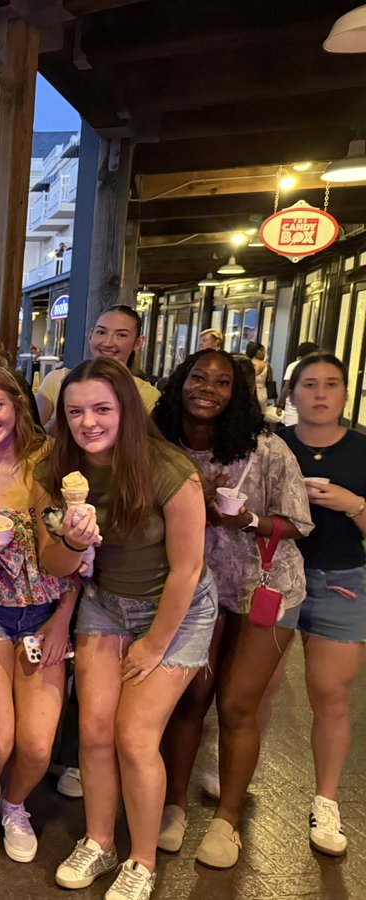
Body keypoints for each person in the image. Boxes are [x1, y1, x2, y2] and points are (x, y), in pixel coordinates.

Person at [36, 358, 215, 900]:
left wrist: (156, 643)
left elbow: (187, 569)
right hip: (104, 605)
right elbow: (52, 565)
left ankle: (141, 859)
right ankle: (99, 842)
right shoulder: (56, 468)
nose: (88, 421)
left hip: (174, 610)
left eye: (102, 409)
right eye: (75, 411)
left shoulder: (168, 469)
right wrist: (70, 540)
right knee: (92, 732)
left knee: (134, 739)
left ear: (127, 411)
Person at [152, 349, 311, 867]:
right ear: (181, 382)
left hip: (262, 589)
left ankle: (226, 821)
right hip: (195, 589)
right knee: (189, 700)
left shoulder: (266, 449)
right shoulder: (161, 444)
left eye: (223, 383)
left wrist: (249, 521)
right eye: (199, 377)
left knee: (238, 704)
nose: (209, 389)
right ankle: (173, 807)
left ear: (236, 394)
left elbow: (297, 524)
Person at [0, 366, 78, 865]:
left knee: (38, 747)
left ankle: (14, 804)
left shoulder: (49, 464)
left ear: (17, 406)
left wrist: (63, 618)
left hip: (47, 613)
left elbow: (75, 555)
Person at [278, 352, 366, 857]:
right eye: (309, 384)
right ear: (292, 394)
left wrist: (352, 504)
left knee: (330, 697)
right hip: (272, 579)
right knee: (257, 690)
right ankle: (231, 776)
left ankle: (326, 802)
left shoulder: (361, 450)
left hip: (342, 583)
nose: (320, 393)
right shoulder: (274, 445)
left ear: (344, 395)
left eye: (331, 384)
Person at [36, 305, 160, 435]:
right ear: (90, 335)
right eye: (101, 332)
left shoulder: (147, 395)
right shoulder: (57, 380)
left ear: (138, 342)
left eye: (121, 335)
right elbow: (35, 436)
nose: (108, 342)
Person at [274, 341, 320, 427]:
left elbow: (287, 387)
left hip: (294, 408)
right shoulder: (317, 368)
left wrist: (279, 404)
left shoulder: (293, 366)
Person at [243, 340, 273, 413]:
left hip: (248, 393)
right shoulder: (267, 365)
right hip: (262, 393)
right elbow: (270, 379)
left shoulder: (246, 364)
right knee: (261, 416)